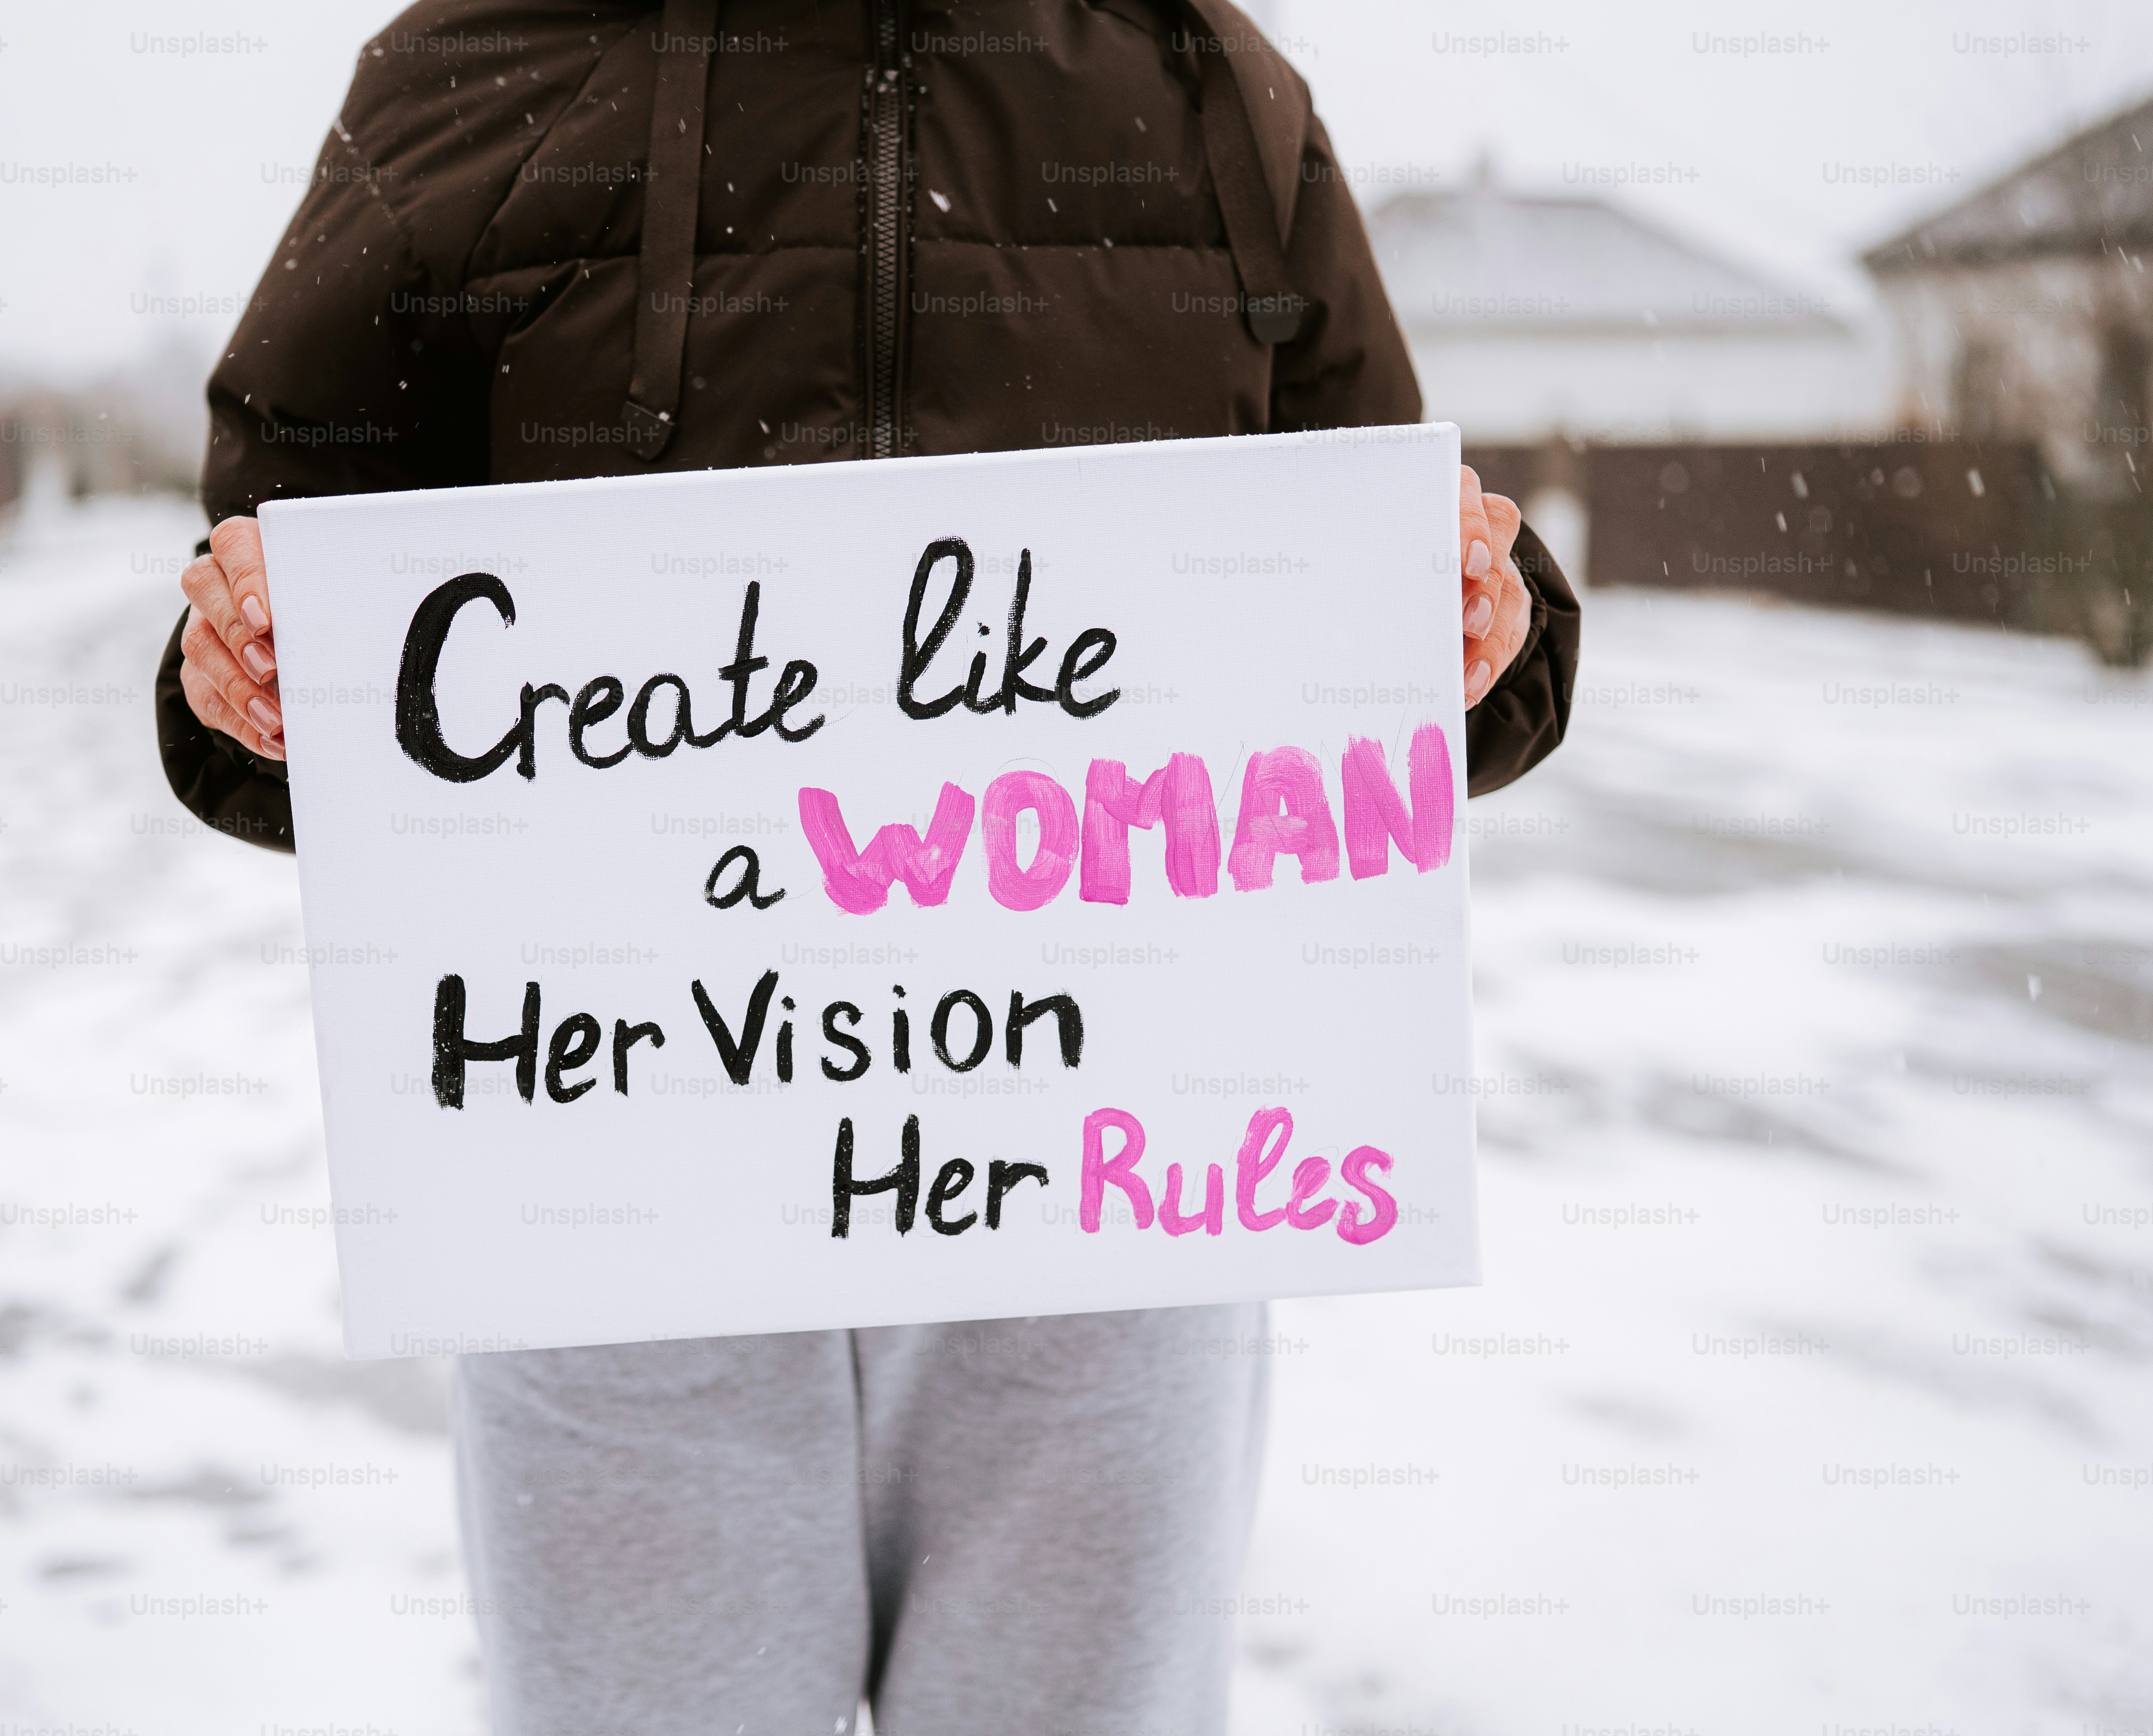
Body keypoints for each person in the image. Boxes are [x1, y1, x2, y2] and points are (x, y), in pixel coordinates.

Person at [155, 1, 1579, 1729]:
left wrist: (1469, 633)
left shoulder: (1201, 75)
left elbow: (1379, 556)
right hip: (611, 1167)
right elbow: (290, 564)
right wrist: (249, 672)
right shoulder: (470, 61)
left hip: (1108, 1181)